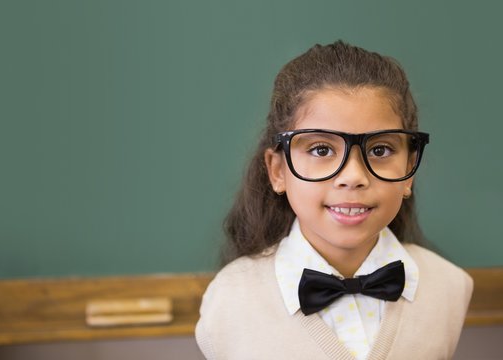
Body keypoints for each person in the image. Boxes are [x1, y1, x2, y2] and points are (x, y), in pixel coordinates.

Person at [195, 40, 473, 360]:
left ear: (409, 170)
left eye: (379, 150)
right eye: (321, 150)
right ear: (277, 171)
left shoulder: (448, 285)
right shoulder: (231, 299)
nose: (352, 176)